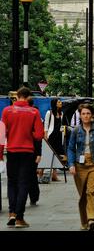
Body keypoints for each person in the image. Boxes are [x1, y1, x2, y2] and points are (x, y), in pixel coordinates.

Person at [1, 86, 44, 228]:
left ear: (17, 96)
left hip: (12, 150)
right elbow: (39, 135)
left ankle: (12, 213)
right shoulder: (34, 112)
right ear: (28, 97)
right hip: (27, 151)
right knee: (23, 183)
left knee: (12, 182)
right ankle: (20, 217)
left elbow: (2, 132)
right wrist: (28, 133)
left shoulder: (7, 111)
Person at [67, 103, 94, 231]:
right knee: (83, 195)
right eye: (83, 113)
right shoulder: (75, 130)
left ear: (92, 115)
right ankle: (85, 221)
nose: (86, 116)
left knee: (92, 191)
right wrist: (71, 164)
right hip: (80, 165)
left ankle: (92, 219)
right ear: (80, 115)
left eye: (88, 113)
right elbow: (70, 148)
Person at [44, 98, 66, 181]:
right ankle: (41, 172)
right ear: (55, 103)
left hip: (59, 136)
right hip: (51, 136)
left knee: (57, 155)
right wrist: (45, 135)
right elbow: (46, 125)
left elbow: (61, 125)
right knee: (48, 153)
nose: (61, 103)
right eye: (59, 102)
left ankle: (54, 175)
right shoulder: (49, 113)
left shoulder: (61, 113)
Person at [27, 97, 42, 206]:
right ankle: (34, 195)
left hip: (30, 148)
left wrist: (38, 153)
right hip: (32, 148)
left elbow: (37, 136)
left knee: (31, 173)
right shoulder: (34, 114)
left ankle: (34, 195)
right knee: (31, 173)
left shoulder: (34, 114)